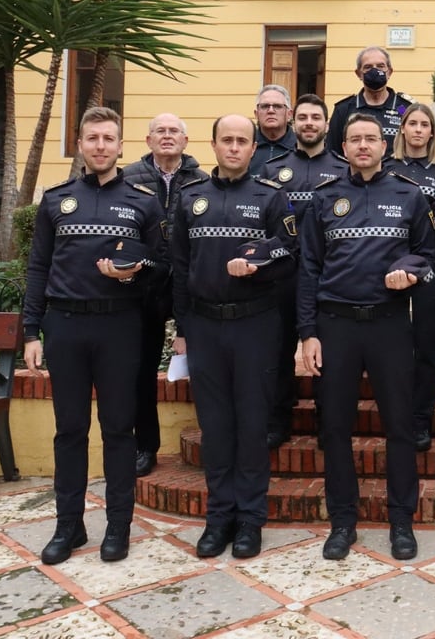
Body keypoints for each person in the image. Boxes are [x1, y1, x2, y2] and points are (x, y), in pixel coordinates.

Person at [23, 106, 167, 564]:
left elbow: (162, 270)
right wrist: (31, 331)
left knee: (119, 430)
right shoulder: (55, 199)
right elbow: (38, 267)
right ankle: (69, 527)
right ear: (81, 144)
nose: (101, 146)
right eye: (93, 139)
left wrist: (132, 275)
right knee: (69, 431)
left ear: (121, 146)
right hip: (64, 326)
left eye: (109, 138)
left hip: (120, 326)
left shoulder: (144, 201)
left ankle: (118, 528)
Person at [300, 113, 435, 561]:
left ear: (385, 145)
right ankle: (343, 521)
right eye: (355, 139)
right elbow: (308, 269)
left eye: (371, 139)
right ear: (344, 146)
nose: (363, 145)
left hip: (389, 324)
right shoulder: (325, 199)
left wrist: (410, 274)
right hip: (335, 325)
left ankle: (402, 520)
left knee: (399, 427)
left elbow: (427, 257)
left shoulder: (409, 195)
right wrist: (308, 333)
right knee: (335, 428)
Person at [172, 114, 297, 560]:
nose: (234, 147)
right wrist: (182, 329)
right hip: (204, 327)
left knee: (252, 425)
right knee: (216, 426)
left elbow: (289, 255)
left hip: (255, 325)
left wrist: (261, 262)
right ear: (214, 144)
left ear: (252, 147)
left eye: (242, 141)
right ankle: (218, 517)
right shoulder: (191, 198)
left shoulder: (271, 197)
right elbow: (180, 268)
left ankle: (250, 520)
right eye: (227, 140)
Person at [122, 113, 209, 477]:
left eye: (175, 131)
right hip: (146, 287)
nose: (168, 136)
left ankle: (212, 443)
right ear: (148, 140)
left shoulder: (203, 181)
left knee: (205, 369)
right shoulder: (128, 179)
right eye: (161, 131)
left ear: (186, 142)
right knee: (141, 371)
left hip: (191, 286)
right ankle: (145, 446)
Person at [262, 93, 348, 448]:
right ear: (293, 122)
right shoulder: (271, 170)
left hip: (329, 275)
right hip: (282, 274)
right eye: (304, 117)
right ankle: (277, 420)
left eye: (317, 117)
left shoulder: (345, 169)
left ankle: (328, 421)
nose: (309, 123)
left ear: (327, 125)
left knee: (328, 350)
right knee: (278, 350)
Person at [385, 102, 435, 452]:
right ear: (402, 130)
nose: (417, 129)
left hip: (430, 267)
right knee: (392, 348)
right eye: (411, 123)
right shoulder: (386, 168)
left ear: (432, 132)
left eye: (423, 124)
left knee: (425, 348)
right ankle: (395, 416)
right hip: (386, 268)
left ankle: (420, 420)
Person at [327, 46, 411, 156]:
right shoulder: (344, 110)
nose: (375, 71)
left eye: (380, 66)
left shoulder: (403, 108)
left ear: (389, 72)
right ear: (358, 74)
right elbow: (332, 153)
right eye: (368, 67)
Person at [248, 84, 296, 176]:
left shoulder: (300, 148)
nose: (270, 111)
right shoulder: (245, 147)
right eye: (265, 106)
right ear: (256, 114)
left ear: (289, 114)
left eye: (277, 106)